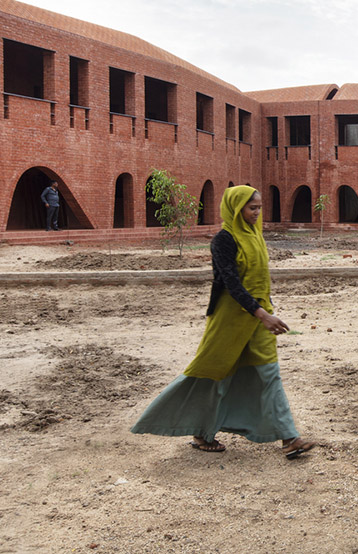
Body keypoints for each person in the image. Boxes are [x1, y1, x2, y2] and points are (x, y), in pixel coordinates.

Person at [131, 185, 314, 458]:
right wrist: (261, 314)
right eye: (252, 208)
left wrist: (265, 310)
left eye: (259, 208)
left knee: (269, 374)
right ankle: (201, 432)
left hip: (259, 319)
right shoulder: (223, 240)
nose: (257, 213)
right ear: (235, 208)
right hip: (231, 318)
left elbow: (260, 278)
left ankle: (290, 438)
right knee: (216, 375)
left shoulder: (255, 235)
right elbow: (231, 283)